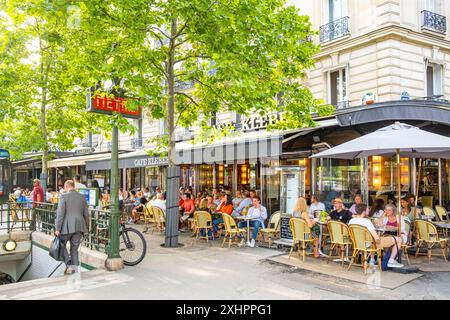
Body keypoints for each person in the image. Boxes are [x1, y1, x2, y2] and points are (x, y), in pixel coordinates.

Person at [349, 203, 404, 268]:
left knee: (374, 239)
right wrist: (381, 242)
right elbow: (376, 238)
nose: (369, 209)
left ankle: (372, 260)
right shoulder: (367, 221)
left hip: (357, 244)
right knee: (399, 239)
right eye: (367, 209)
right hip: (370, 244)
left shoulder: (351, 221)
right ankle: (391, 261)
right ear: (364, 211)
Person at [55, 180, 89, 275]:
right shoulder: (82, 197)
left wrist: (57, 228)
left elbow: (60, 214)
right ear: (74, 186)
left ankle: (68, 263)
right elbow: (86, 214)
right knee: (74, 250)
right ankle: (75, 272)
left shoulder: (63, 196)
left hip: (66, 227)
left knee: (61, 245)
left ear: (66, 187)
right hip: (79, 227)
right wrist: (86, 228)